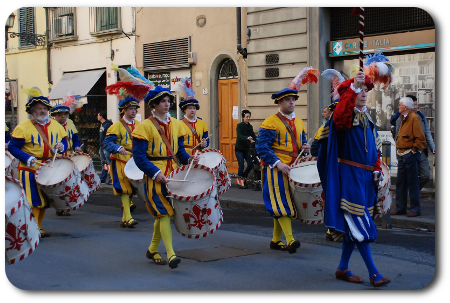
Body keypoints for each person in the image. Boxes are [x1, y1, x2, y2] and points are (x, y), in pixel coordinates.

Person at [317, 71, 390, 287]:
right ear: (350, 93)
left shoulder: (367, 119)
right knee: (360, 225)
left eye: (366, 89)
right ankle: (374, 273)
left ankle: (342, 268)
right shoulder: (344, 116)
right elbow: (341, 116)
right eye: (360, 89)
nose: (364, 93)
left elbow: (375, 150)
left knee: (352, 227)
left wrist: (376, 169)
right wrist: (353, 88)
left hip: (366, 179)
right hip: (349, 177)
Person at [131, 86, 200, 269]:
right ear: (154, 105)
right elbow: (139, 157)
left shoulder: (177, 124)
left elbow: (179, 152)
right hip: (155, 175)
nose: (167, 103)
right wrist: (155, 173)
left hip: (174, 173)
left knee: (165, 215)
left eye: (169, 100)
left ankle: (153, 249)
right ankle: (171, 254)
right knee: (163, 212)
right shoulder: (144, 126)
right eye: (163, 101)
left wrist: (189, 159)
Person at [256, 87, 310, 254]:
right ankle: (290, 239)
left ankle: (275, 240)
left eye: (293, 99)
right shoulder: (270, 122)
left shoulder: (300, 122)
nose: (292, 102)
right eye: (288, 99)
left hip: (294, 167)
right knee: (280, 202)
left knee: (284, 203)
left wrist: (306, 148)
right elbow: (261, 147)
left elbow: (302, 143)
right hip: (276, 169)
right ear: (279, 102)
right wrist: (277, 163)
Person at [8, 87, 68, 238]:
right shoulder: (23, 127)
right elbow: (12, 147)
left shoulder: (57, 126)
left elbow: (65, 142)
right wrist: (27, 158)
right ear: (33, 111)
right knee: (34, 200)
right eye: (39, 108)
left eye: (44, 108)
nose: (42, 111)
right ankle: (32, 229)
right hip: (29, 168)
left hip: (49, 167)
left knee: (45, 201)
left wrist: (62, 147)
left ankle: (38, 228)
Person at [103, 96, 141, 227]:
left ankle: (125, 219)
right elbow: (107, 143)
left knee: (132, 189)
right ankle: (129, 217)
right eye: (131, 109)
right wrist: (118, 148)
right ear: (124, 110)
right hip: (121, 160)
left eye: (135, 109)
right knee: (125, 188)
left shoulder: (139, 125)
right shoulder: (116, 126)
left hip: (135, 160)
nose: (134, 111)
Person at [391, 97, 427, 217]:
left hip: (410, 155)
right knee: (401, 183)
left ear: (405, 107)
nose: (398, 107)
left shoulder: (414, 118)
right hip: (402, 154)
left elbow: (420, 138)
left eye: (400, 105)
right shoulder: (403, 118)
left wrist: (413, 150)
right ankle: (401, 207)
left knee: (412, 182)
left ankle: (415, 209)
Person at [390, 95, 435, 191]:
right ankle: (410, 199)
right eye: (413, 105)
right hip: (407, 153)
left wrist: (432, 147)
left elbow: (427, 133)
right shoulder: (400, 119)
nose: (415, 107)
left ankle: (412, 192)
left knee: (425, 175)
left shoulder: (421, 116)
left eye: (416, 104)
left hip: (421, 150)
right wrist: (400, 155)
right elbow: (398, 139)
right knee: (409, 178)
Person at [49, 104, 82, 216]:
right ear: (55, 115)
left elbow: (75, 138)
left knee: (68, 181)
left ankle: (66, 205)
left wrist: (77, 146)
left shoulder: (71, 123)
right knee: (58, 183)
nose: (63, 116)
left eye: (65, 114)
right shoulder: (50, 125)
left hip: (69, 155)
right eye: (60, 114)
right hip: (56, 156)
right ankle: (59, 206)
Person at [177, 80, 209, 155]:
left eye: (194, 108)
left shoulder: (202, 123)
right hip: (185, 155)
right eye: (190, 108)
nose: (192, 110)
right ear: (184, 110)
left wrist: (205, 143)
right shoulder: (179, 124)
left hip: (199, 155)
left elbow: (207, 138)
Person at [235, 109, 257, 189]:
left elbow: (253, 136)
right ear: (243, 117)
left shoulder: (250, 126)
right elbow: (240, 135)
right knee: (241, 166)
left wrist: (259, 141)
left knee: (250, 164)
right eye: (247, 117)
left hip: (246, 149)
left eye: (249, 117)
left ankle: (243, 177)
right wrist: (246, 137)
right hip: (239, 149)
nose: (248, 118)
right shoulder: (240, 126)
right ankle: (241, 183)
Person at [98, 110, 113, 185]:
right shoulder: (102, 125)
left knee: (109, 163)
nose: (97, 116)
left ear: (101, 116)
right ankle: (103, 179)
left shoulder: (107, 125)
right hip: (102, 146)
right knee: (104, 163)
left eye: (98, 115)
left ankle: (111, 179)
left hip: (106, 147)